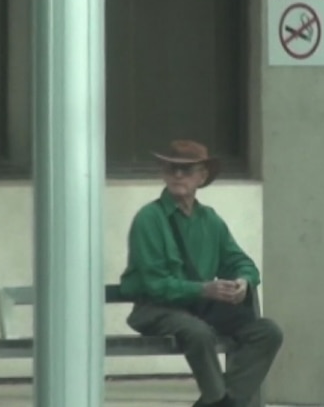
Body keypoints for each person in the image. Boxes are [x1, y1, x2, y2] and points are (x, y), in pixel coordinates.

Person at [119, 140, 283, 407]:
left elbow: (242, 263)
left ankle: (218, 402)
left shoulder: (210, 220)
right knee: (198, 333)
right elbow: (153, 284)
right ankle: (220, 401)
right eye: (172, 169)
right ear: (163, 172)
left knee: (267, 332)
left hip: (201, 310)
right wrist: (203, 289)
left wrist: (243, 281)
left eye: (186, 169)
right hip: (157, 308)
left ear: (202, 176)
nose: (178, 175)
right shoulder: (149, 218)